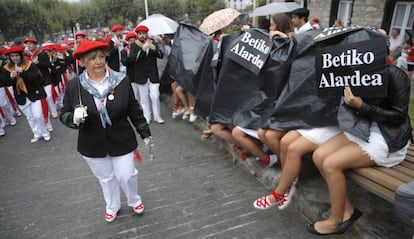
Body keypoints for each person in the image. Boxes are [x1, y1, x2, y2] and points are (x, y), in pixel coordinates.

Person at [308, 65, 412, 235]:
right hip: (363, 129)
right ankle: (347, 211)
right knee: (319, 155)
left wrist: (362, 106)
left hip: (388, 138)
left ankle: (335, 221)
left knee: (330, 164)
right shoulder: (352, 72)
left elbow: (399, 115)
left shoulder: (395, 74)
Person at [59, 39, 152, 223]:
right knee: (107, 179)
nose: (99, 61)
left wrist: (145, 133)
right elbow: (64, 114)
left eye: (101, 56)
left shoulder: (121, 81)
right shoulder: (74, 86)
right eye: (92, 58)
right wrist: (73, 118)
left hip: (122, 138)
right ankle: (112, 206)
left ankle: (134, 199)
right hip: (92, 143)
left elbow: (134, 110)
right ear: (83, 62)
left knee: (126, 175)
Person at [1, 45, 50, 143]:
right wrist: (11, 77)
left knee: (38, 115)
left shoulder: (30, 64)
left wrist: (22, 73)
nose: (15, 58)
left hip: (35, 94)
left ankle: (45, 132)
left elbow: (37, 78)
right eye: (12, 56)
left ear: (21, 56)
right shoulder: (6, 68)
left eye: (16, 55)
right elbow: (5, 83)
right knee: (30, 117)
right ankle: (37, 133)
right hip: (21, 96)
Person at [129, 25, 165, 124]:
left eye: (144, 33)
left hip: (153, 75)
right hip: (141, 75)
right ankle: (146, 116)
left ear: (147, 34)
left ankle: (157, 116)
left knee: (155, 96)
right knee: (144, 98)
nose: (142, 36)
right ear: (137, 35)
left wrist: (155, 50)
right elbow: (132, 59)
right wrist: (142, 51)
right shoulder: (134, 45)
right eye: (140, 34)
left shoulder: (153, 43)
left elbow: (161, 55)